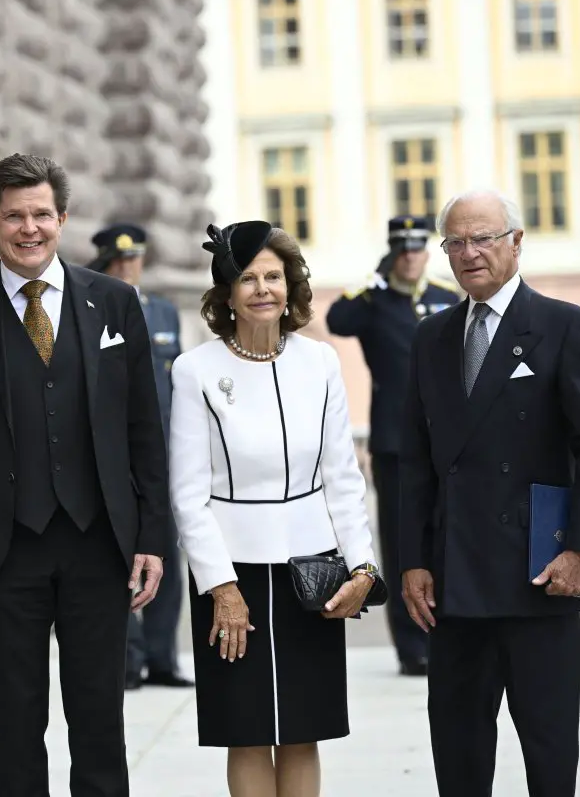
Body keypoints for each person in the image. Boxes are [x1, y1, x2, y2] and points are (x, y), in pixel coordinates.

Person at [0, 153, 170, 796]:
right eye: (13, 217)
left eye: (41, 215)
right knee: (16, 723)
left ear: (62, 219)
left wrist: (150, 537)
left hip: (98, 544)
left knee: (99, 722)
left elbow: (146, 429)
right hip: (2, 552)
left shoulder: (115, 301)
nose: (28, 229)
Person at [399, 189, 580, 797]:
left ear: (516, 243)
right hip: (453, 584)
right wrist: (414, 560)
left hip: (539, 575)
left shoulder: (562, 325)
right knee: (458, 748)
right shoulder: (431, 337)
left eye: (484, 238)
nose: (469, 253)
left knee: (549, 749)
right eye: (456, 242)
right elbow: (414, 460)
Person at [169, 220, 381, 797]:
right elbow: (187, 495)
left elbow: (342, 477)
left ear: (291, 286)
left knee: (302, 731)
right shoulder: (194, 371)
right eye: (248, 278)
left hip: (311, 571)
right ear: (227, 293)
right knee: (246, 729)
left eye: (274, 276)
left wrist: (363, 567)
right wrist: (221, 587)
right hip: (231, 575)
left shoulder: (321, 363)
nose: (263, 289)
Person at [325, 214, 460, 676]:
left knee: (448, 534)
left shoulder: (446, 296)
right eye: (401, 249)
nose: (409, 256)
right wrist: (374, 279)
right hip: (395, 440)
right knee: (403, 541)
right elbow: (336, 320)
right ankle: (411, 647)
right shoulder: (373, 301)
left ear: (428, 251)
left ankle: (449, 632)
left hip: (446, 437)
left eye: (417, 248)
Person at [87, 222, 192, 691]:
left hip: (165, 453)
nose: (128, 268)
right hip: (113, 457)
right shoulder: (91, 312)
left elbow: (181, 386)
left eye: (133, 260)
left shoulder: (164, 312)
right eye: (119, 262)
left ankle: (163, 657)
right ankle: (126, 660)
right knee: (121, 559)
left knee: (167, 552)